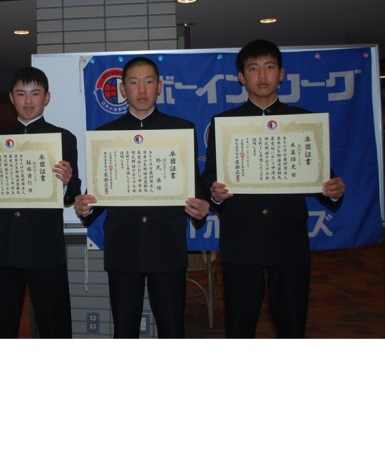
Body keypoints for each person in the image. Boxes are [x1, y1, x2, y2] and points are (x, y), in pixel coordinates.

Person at [201, 39, 346, 338]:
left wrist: (334, 189)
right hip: (241, 240)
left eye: (269, 67)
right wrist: (214, 194)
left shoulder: (303, 122)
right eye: (253, 68)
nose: (262, 75)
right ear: (242, 77)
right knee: (239, 328)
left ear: (281, 74)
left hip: (288, 239)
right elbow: (210, 176)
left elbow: (321, 177)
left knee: (292, 326)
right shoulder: (225, 123)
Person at [74, 56, 210, 338]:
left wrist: (199, 209)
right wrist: (85, 208)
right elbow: (100, 190)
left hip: (167, 245)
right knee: (124, 331)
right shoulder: (106, 135)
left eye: (149, 81)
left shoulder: (181, 130)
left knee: (172, 329)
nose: (142, 89)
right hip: (123, 246)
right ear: (123, 89)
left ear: (159, 86)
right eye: (134, 83)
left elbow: (192, 185)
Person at [0, 66, 80, 338]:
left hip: (45, 245)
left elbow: (74, 190)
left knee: (54, 323)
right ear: (11, 98)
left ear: (47, 97)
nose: (28, 101)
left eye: (35, 93)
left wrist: (65, 182)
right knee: (4, 322)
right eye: (21, 94)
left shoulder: (63, 138)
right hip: (6, 244)